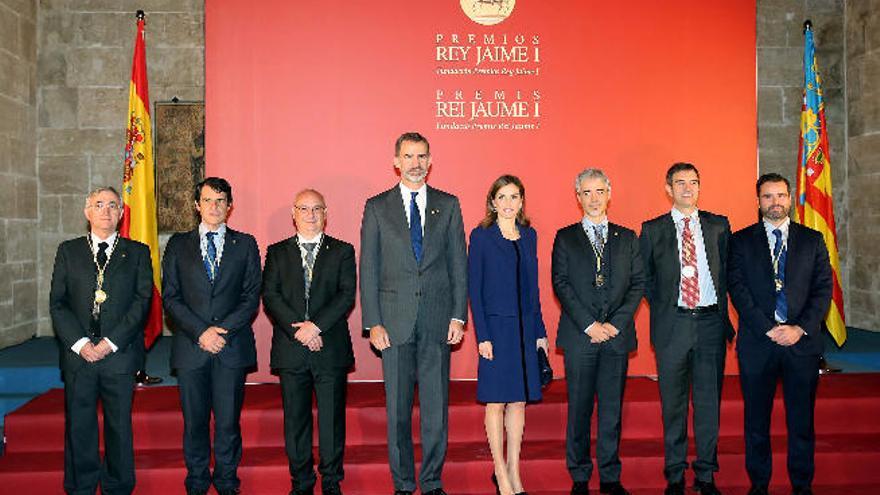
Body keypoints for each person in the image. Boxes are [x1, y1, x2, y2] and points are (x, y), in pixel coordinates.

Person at [359, 132, 468, 495]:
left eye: (421, 156)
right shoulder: (377, 207)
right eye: (408, 156)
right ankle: (404, 484)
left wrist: (458, 316)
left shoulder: (448, 205)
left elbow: (458, 265)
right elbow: (369, 268)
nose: (415, 164)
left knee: (436, 411)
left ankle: (432, 481)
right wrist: (373, 322)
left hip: (438, 321)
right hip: (393, 323)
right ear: (396, 161)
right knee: (398, 412)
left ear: (430, 160)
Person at [727, 173, 831, 495]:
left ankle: (802, 486)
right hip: (759, 344)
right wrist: (769, 328)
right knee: (756, 422)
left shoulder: (812, 240)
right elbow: (737, 289)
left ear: (790, 198)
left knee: (801, 423)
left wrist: (798, 328)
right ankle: (759, 485)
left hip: (801, 344)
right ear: (758, 201)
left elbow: (823, 289)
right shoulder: (741, 241)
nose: (775, 202)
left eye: (781, 195)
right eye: (768, 196)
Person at [50, 186, 153, 495]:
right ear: (87, 212)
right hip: (78, 355)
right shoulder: (69, 250)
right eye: (98, 204)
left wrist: (110, 342)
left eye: (112, 205)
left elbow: (142, 300)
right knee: (79, 425)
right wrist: (81, 344)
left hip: (118, 355)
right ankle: (81, 486)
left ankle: (118, 487)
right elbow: (58, 303)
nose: (105, 211)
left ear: (121, 213)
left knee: (118, 426)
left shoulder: (137, 252)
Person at [162, 177, 261, 495]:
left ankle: (227, 481)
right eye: (207, 200)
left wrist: (222, 331)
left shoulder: (245, 244)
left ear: (230, 206)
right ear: (196, 205)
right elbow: (171, 297)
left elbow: (251, 296)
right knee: (194, 422)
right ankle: (197, 480)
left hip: (230, 347)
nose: (214, 206)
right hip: (192, 347)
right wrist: (201, 332)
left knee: (229, 422)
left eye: (221, 200)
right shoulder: (178, 245)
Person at [639, 163, 733, 495]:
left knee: (708, 402)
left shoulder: (719, 225)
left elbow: (728, 274)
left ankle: (706, 474)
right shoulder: (652, 230)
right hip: (673, 325)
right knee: (673, 404)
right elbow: (645, 279)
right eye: (680, 183)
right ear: (668, 188)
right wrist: (667, 307)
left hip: (710, 323)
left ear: (699, 186)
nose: (687, 188)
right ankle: (675, 474)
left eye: (693, 182)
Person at [552, 169, 644, 495]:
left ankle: (609, 475)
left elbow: (637, 285)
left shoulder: (627, 237)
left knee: (611, 409)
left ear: (609, 193)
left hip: (617, 337)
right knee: (579, 408)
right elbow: (560, 284)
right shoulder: (565, 237)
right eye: (587, 192)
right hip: (580, 337)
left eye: (599, 191)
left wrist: (614, 324)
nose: (594, 198)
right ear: (578, 197)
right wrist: (590, 325)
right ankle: (579, 475)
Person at [262, 189, 356, 495]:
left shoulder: (342, 251)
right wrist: (299, 332)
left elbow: (345, 296)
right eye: (304, 209)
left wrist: (316, 327)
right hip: (291, 350)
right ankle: (301, 483)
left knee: (331, 422)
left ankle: (331, 483)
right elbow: (271, 296)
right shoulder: (276, 252)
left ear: (326, 213)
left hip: (330, 348)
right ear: (294, 213)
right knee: (296, 422)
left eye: (317, 209)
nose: (311, 215)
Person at [468, 175, 548, 495]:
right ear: (492, 202)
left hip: (525, 330)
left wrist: (539, 332)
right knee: (496, 401)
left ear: (521, 202)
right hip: (496, 331)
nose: (509, 203)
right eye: (502, 197)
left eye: (514, 197)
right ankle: (499, 471)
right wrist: (482, 336)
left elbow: (534, 290)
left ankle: (515, 471)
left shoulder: (529, 235)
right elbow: (475, 288)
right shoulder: (482, 236)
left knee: (518, 401)